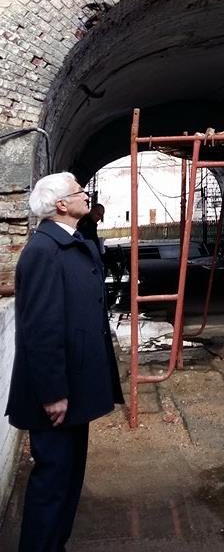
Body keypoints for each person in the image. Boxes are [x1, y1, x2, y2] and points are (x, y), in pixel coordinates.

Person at [5, 172, 124, 552]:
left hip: (76, 384)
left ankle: (55, 545)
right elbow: (41, 328)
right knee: (53, 483)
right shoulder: (43, 251)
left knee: (69, 479)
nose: (86, 196)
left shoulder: (70, 243)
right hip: (58, 393)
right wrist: (53, 392)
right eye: (79, 191)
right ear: (61, 204)